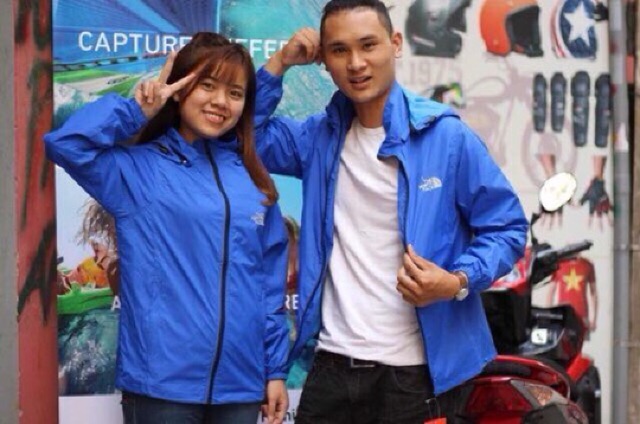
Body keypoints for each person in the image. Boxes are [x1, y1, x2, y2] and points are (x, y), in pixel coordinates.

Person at [253, 1, 528, 422]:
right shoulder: (318, 139)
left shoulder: (445, 137)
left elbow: (507, 229)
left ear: (395, 44)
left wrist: (455, 281)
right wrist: (279, 63)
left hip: (417, 376)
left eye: (368, 45)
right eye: (340, 50)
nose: (356, 63)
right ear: (324, 60)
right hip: (331, 368)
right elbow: (245, 136)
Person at [45, 32, 290, 424]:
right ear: (179, 89)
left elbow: (268, 286)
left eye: (234, 93)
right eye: (207, 85)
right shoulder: (139, 170)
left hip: (241, 387)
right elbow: (66, 144)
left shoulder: (253, 180)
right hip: (162, 387)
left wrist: (274, 369)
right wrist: (135, 111)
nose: (220, 101)